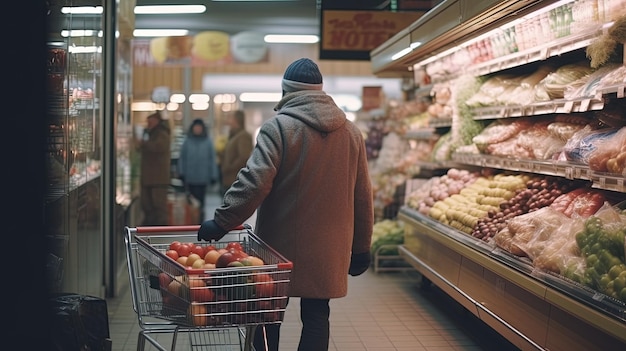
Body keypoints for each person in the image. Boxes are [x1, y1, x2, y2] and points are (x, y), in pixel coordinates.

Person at [197, 58, 374, 351]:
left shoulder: (279, 128)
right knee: (317, 315)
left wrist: (222, 220)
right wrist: (362, 247)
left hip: (278, 246)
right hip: (329, 246)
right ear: (320, 90)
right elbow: (362, 196)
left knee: (267, 312)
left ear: (285, 91)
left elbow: (254, 181)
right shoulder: (351, 133)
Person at [177, 118, 219, 222]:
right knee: (190, 201)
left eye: (199, 127)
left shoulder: (208, 142)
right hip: (190, 177)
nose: (197, 129)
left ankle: (200, 220)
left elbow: (212, 159)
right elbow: (182, 158)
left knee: (201, 202)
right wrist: (181, 173)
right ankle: (191, 220)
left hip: (202, 178)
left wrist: (213, 175)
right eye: (196, 127)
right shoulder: (187, 142)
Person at [137, 111, 171, 225]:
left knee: (159, 206)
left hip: (158, 179)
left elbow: (159, 147)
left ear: (156, 121)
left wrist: (144, 143)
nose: (148, 124)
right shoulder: (151, 133)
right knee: (148, 205)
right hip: (150, 178)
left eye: (150, 122)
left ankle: (160, 230)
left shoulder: (161, 134)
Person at [219, 109, 253, 196]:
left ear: (236, 120)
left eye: (230, 118)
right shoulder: (233, 135)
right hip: (229, 179)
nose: (228, 121)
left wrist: (229, 167)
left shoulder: (243, 136)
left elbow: (243, 157)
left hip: (235, 179)